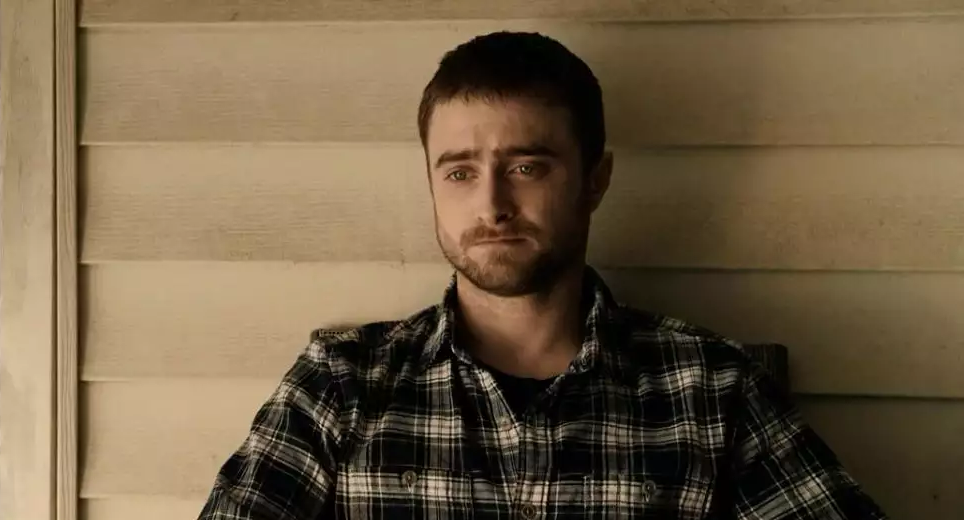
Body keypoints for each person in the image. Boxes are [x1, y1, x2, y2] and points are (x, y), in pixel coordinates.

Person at [197, 31, 888, 519]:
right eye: (460, 173)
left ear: (595, 179)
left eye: (526, 167)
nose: (491, 205)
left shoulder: (709, 389)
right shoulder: (342, 384)